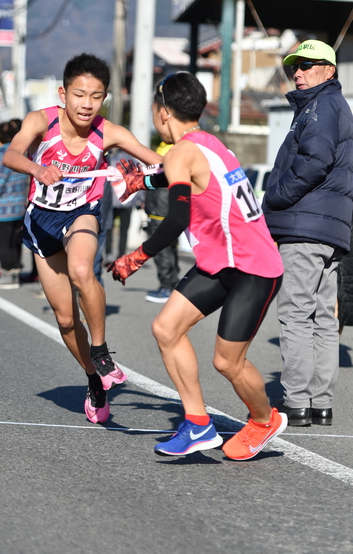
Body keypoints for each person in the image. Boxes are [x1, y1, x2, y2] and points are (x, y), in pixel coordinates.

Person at [108, 71, 286, 460]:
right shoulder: (207, 144)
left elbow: (176, 218)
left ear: (163, 114)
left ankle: (263, 419)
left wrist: (136, 257)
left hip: (254, 267)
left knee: (227, 360)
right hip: (222, 262)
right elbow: (182, 178)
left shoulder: (182, 152)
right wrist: (143, 182)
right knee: (166, 327)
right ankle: (198, 424)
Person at [3, 53, 162, 425]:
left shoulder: (111, 133)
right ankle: (94, 379)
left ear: (104, 98)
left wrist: (181, 167)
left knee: (81, 270)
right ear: (63, 93)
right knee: (64, 319)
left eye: (96, 96)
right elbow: (11, 153)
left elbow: (157, 160)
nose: (87, 104)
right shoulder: (40, 121)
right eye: (79, 94)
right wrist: (37, 168)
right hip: (41, 222)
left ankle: (102, 351)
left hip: (82, 215)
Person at [262, 39, 353, 427]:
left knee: (296, 314)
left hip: (305, 225)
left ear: (330, 71)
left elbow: (315, 160)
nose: (299, 72)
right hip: (328, 229)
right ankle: (320, 403)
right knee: (321, 318)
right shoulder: (333, 105)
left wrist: (275, 197)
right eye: (295, 66)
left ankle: (297, 401)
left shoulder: (321, 106)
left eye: (310, 65)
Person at [0, 119, 29, 290]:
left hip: (3, 209)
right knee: (15, 242)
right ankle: (16, 273)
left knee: (2, 243)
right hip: (19, 208)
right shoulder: (22, 155)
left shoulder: (5, 156)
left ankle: (8, 275)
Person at [144, 142, 179, 304]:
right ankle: (172, 283)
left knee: (162, 249)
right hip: (166, 206)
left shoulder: (168, 148)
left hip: (161, 207)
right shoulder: (171, 146)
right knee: (170, 248)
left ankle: (167, 286)